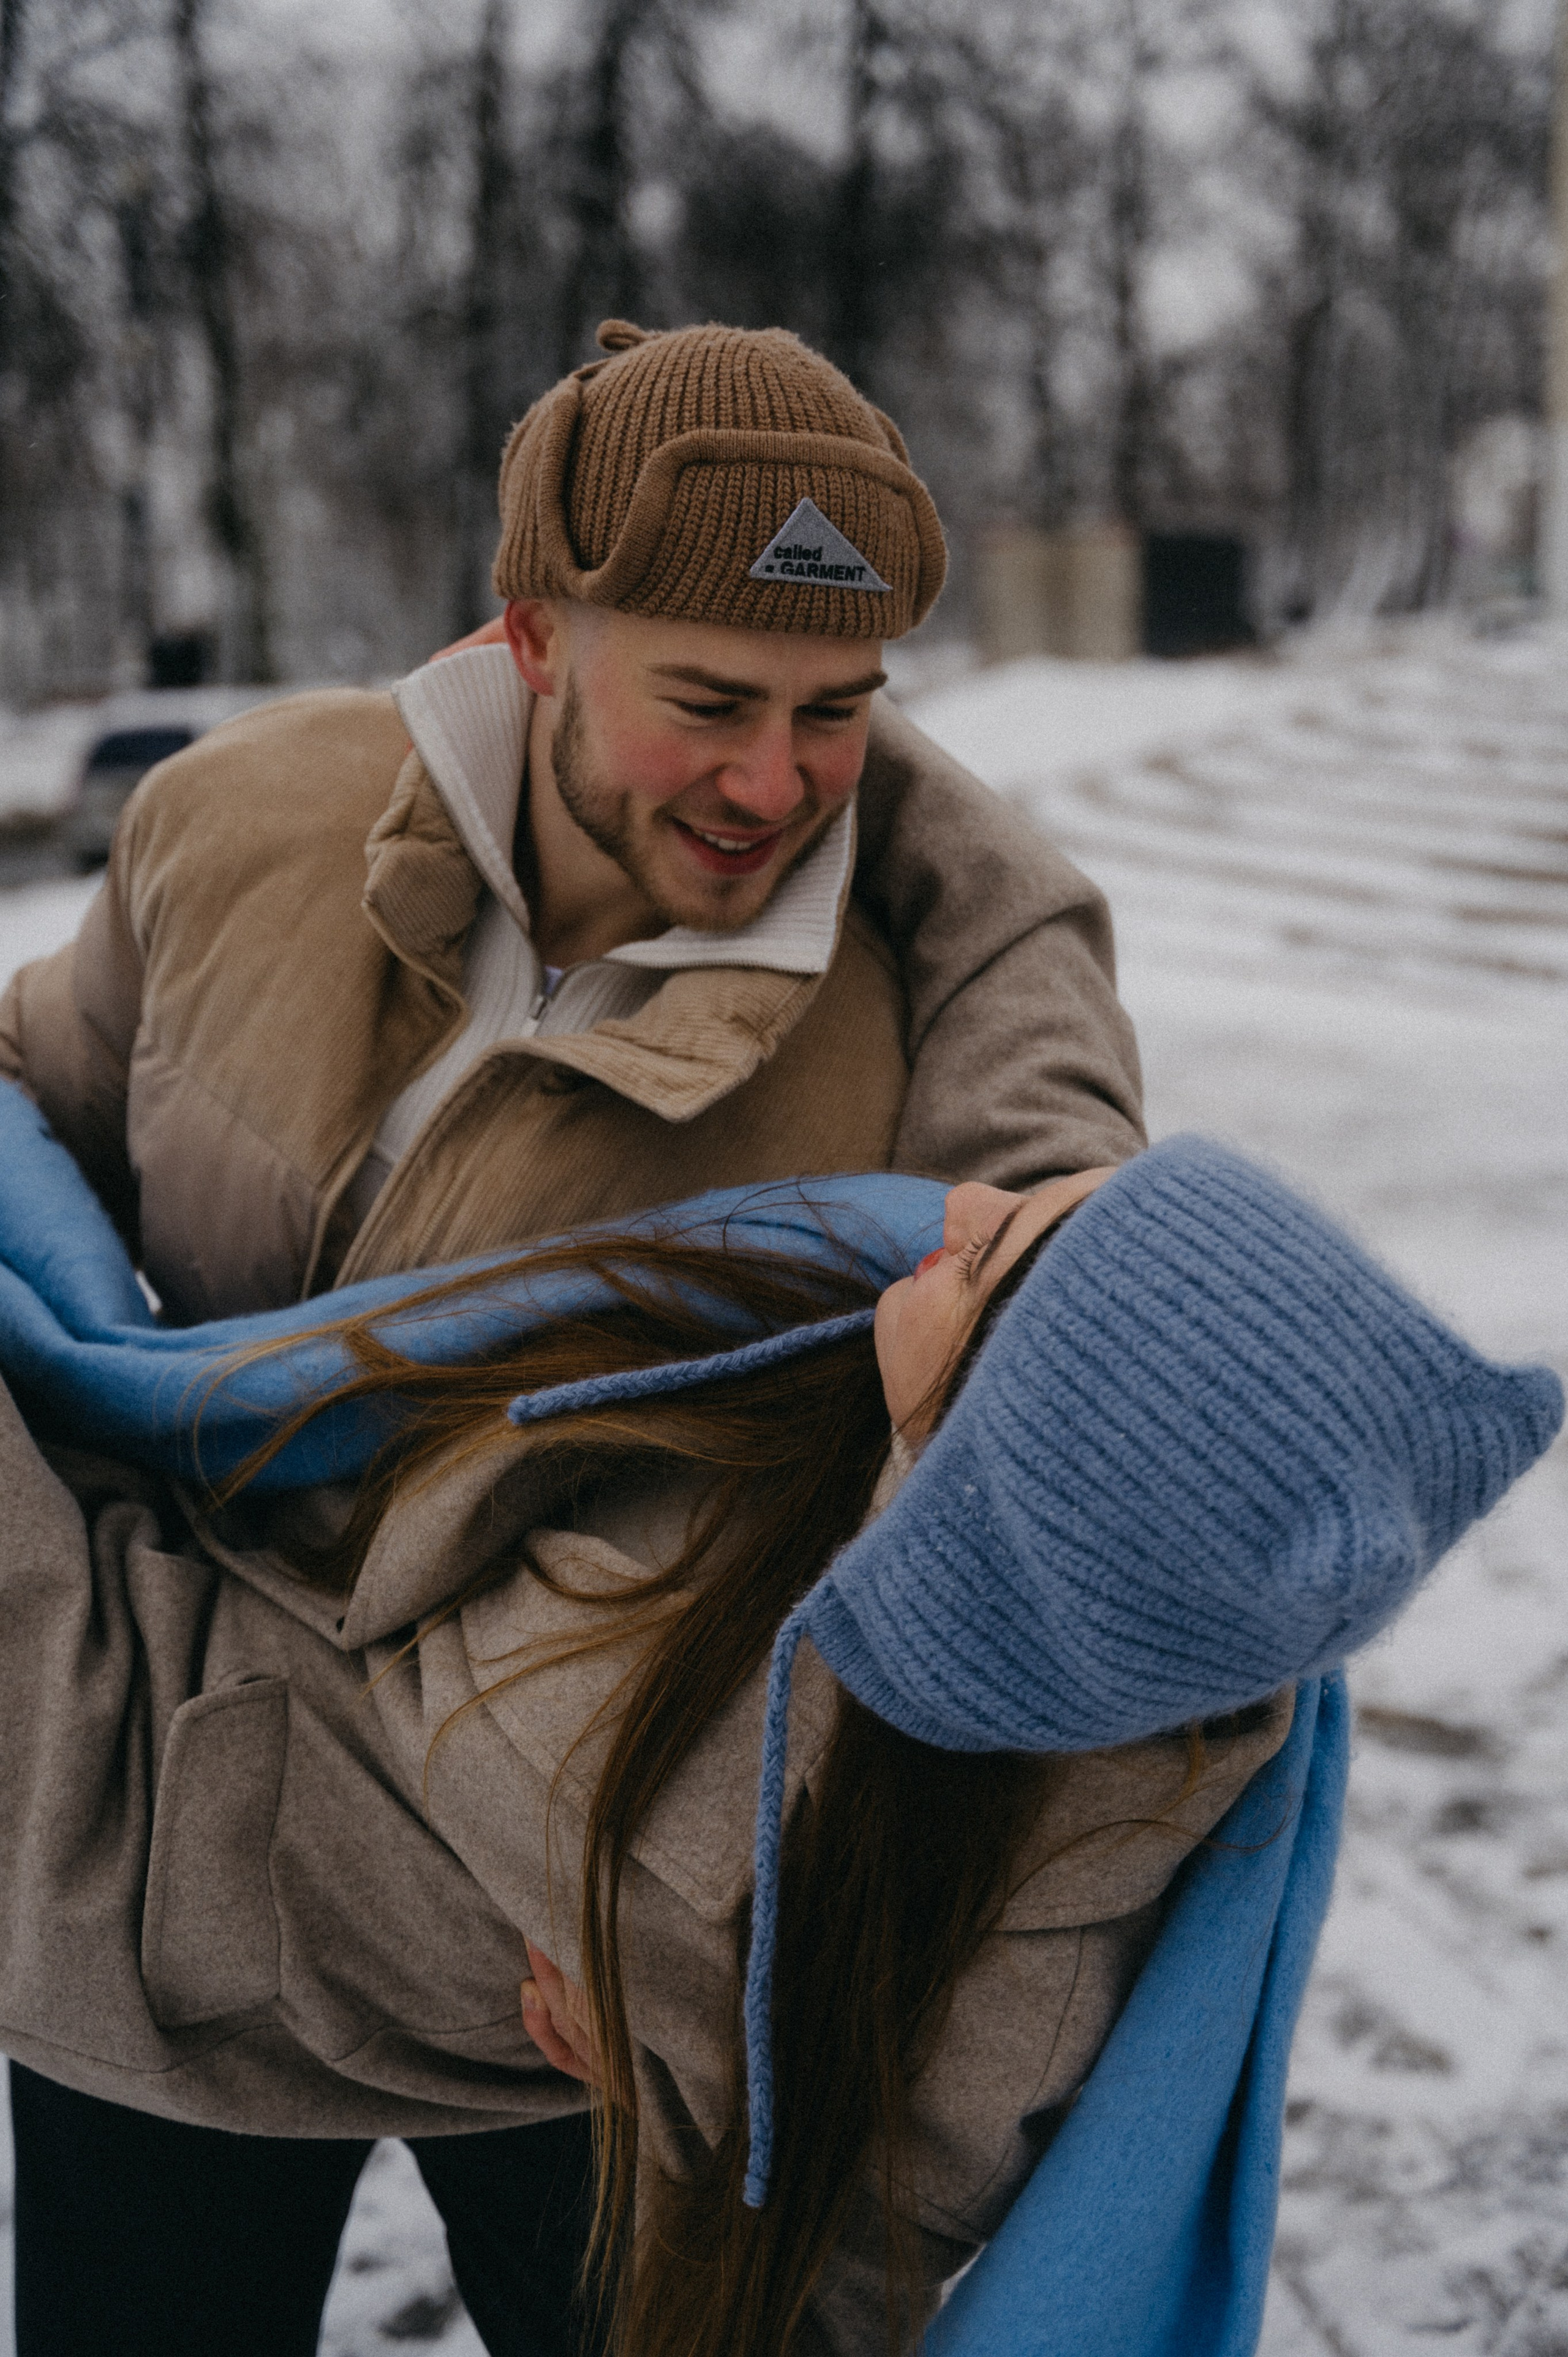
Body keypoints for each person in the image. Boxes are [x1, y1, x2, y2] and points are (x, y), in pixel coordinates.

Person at [0, 318, 1145, 2346]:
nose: (773, 779)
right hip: (156, 1902)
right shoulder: (234, 818)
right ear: (531, 632)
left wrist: (710, 1954)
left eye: (837, 711)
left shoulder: (906, 1037)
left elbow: (1031, 1465)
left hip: (558, 1972)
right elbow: (38, 1119)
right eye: (708, 697)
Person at [0, 1120, 1556, 2357]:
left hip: (126, 1832)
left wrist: (680, 2085)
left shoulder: (1002, 1940)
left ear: (992, 1474)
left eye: (996, 1257)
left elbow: (836, 2269)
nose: (960, 1210)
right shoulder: (924, 1452)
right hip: (193, 1609)